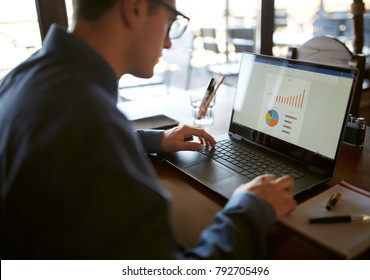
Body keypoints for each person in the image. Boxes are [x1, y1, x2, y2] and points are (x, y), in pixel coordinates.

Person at [0, 0, 296, 259]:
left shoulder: (26, 76)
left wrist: (155, 140)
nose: (168, 43)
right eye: (169, 21)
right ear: (135, 7)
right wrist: (251, 210)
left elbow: (66, 150)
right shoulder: (89, 122)